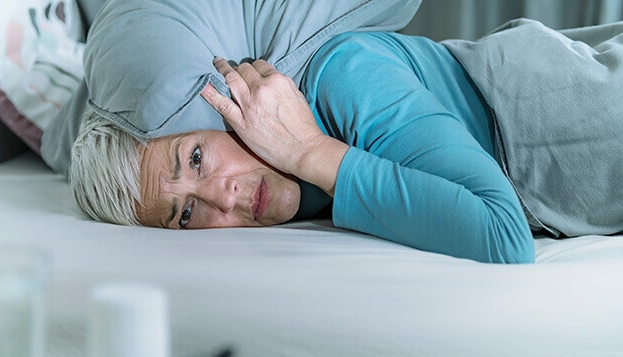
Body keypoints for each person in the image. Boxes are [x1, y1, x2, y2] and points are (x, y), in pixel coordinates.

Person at [70, 28, 623, 264]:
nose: (224, 195)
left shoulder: (345, 76)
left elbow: (502, 236)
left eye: (195, 158)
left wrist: (310, 151)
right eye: (185, 213)